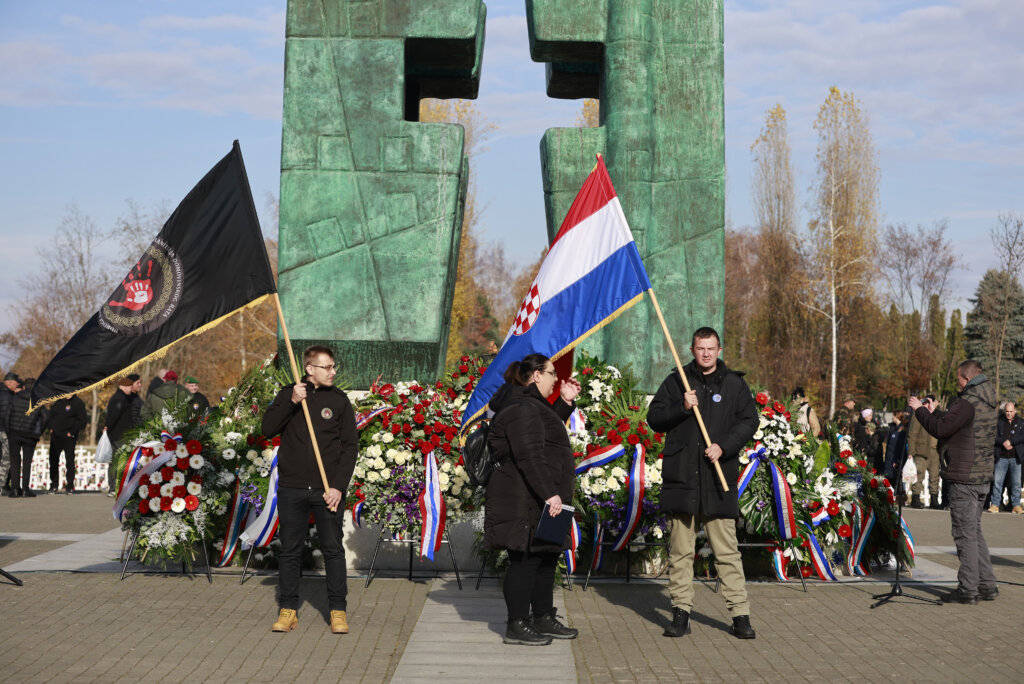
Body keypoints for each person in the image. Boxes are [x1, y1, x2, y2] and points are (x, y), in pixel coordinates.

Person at [647, 327, 759, 640]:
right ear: (693, 349)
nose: (706, 354)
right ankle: (680, 613)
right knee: (680, 553)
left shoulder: (735, 384)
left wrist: (724, 445)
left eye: (711, 348)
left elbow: (749, 421)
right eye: (700, 348)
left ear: (719, 349)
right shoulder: (677, 381)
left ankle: (740, 615)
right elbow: (654, 419)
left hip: (717, 482)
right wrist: (681, 407)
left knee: (727, 553)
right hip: (682, 481)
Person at [484, 353, 582, 646]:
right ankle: (517, 623)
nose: (556, 379)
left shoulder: (530, 405)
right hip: (526, 497)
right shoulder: (520, 406)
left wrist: (564, 402)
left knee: (547, 556)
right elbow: (529, 454)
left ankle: (541, 616)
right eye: (552, 374)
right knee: (525, 560)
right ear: (536, 375)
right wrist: (549, 493)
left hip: (543, 496)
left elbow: (546, 434)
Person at [261, 345, 358, 635]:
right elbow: (267, 428)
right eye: (327, 367)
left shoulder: (339, 401)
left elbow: (350, 447)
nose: (333, 371)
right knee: (290, 550)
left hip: (326, 491)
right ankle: (288, 610)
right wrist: (291, 401)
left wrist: (338, 487)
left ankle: (338, 611)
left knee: (332, 550)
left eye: (333, 366)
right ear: (309, 369)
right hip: (292, 488)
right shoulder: (290, 394)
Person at [909, 359, 998, 604]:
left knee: (964, 535)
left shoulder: (967, 402)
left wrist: (920, 410)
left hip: (964, 476)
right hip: (982, 476)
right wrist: (935, 411)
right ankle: (987, 585)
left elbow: (940, 429)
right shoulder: (988, 399)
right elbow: (956, 426)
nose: (957, 383)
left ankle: (968, 589)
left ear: (967, 379)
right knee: (975, 532)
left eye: (958, 379)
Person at [7, 378, 49, 497]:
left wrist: (8, 429)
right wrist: (39, 432)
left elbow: (7, 414)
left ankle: (15, 489)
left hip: (14, 433)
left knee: (14, 461)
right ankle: (25, 489)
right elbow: (46, 417)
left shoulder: (14, 398)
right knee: (27, 462)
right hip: (30, 435)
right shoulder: (38, 401)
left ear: (24, 387)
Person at [104, 374, 142, 495]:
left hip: (121, 434)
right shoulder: (119, 399)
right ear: (123, 386)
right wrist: (107, 428)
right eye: (129, 386)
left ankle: (117, 486)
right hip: (117, 435)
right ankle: (113, 487)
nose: (131, 389)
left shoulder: (126, 398)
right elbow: (113, 416)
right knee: (116, 461)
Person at [48, 394, 88, 493]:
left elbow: (82, 420)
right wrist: (51, 428)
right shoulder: (58, 402)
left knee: (69, 462)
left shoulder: (78, 403)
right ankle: (53, 485)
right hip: (56, 436)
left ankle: (69, 485)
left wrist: (72, 432)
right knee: (53, 461)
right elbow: (50, 416)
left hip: (69, 436)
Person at [989, 402, 1023, 514]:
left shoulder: (1021, 422)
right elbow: (993, 435)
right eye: (1007, 412)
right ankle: (995, 504)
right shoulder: (999, 421)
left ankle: (1016, 505)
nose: (1009, 414)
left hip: (1015, 457)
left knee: (1016, 483)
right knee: (997, 482)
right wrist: (1003, 442)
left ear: (1015, 411)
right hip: (1001, 457)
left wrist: (1012, 441)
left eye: (1011, 412)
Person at [908, 395, 941, 509]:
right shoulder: (918, 415)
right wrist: (911, 451)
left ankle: (934, 499)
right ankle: (915, 498)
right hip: (921, 450)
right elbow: (912, 434)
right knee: (919, 475)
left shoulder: (937, 415)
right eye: (926, 402)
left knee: (934, 476)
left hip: (934, 450)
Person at [0, 371, 20, 496]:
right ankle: (1, 485)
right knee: (6, 459)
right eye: (16, 383)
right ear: (10, 383)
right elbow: (8, 416)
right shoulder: (9, 397)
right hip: (5, 431)